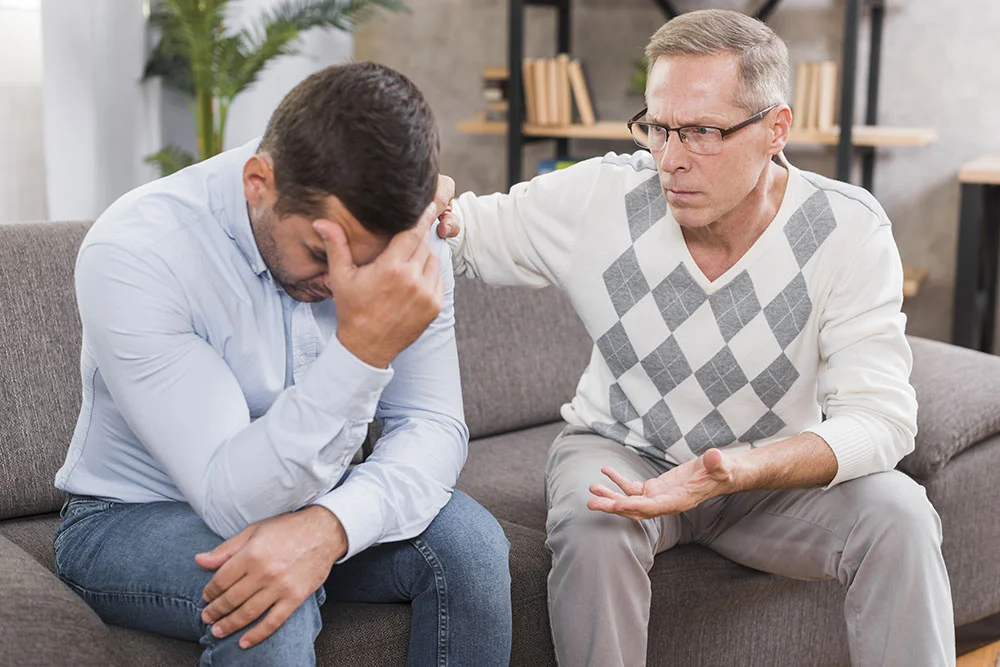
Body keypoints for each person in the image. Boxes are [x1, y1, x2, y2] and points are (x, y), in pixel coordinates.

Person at [436, 9, 953, 667]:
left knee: (900, 515)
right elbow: (463, 233)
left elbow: (882, 420)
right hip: (624, 450)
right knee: (595, 526)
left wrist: (739, 470)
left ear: (776, 129)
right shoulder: (603, 198)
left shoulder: (847, 232)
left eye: (703, 132)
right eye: (659, 127)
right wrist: (429, 205)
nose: (671, 160)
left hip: (764, 478)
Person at [53, 61, 512, 667]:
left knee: (473, 549)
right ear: (258, 181)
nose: (342, 284)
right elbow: (231, 498)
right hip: (134, 516)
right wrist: (362, 351)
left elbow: (433, 424)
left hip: (315, 495)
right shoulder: (138, 252)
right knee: (265, 600)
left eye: (365, 263)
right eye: (320, 252)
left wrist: (331, 526)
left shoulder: (408, 237)